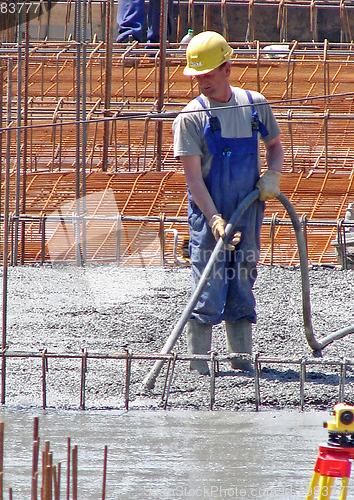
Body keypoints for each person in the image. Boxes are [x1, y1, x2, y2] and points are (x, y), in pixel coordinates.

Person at [172, 31, 284, 375]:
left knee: (242, 278)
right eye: (197, 77)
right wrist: (215, 219)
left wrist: (272, 176)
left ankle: (242, 362)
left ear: (227, 68)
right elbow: (193, 180)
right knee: (208, 282)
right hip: (209, 215)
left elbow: (275, 146)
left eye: (207, 74)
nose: (202, 82)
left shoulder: (254, 104)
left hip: (248, 210)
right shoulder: (191, 118)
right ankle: (199, 367)